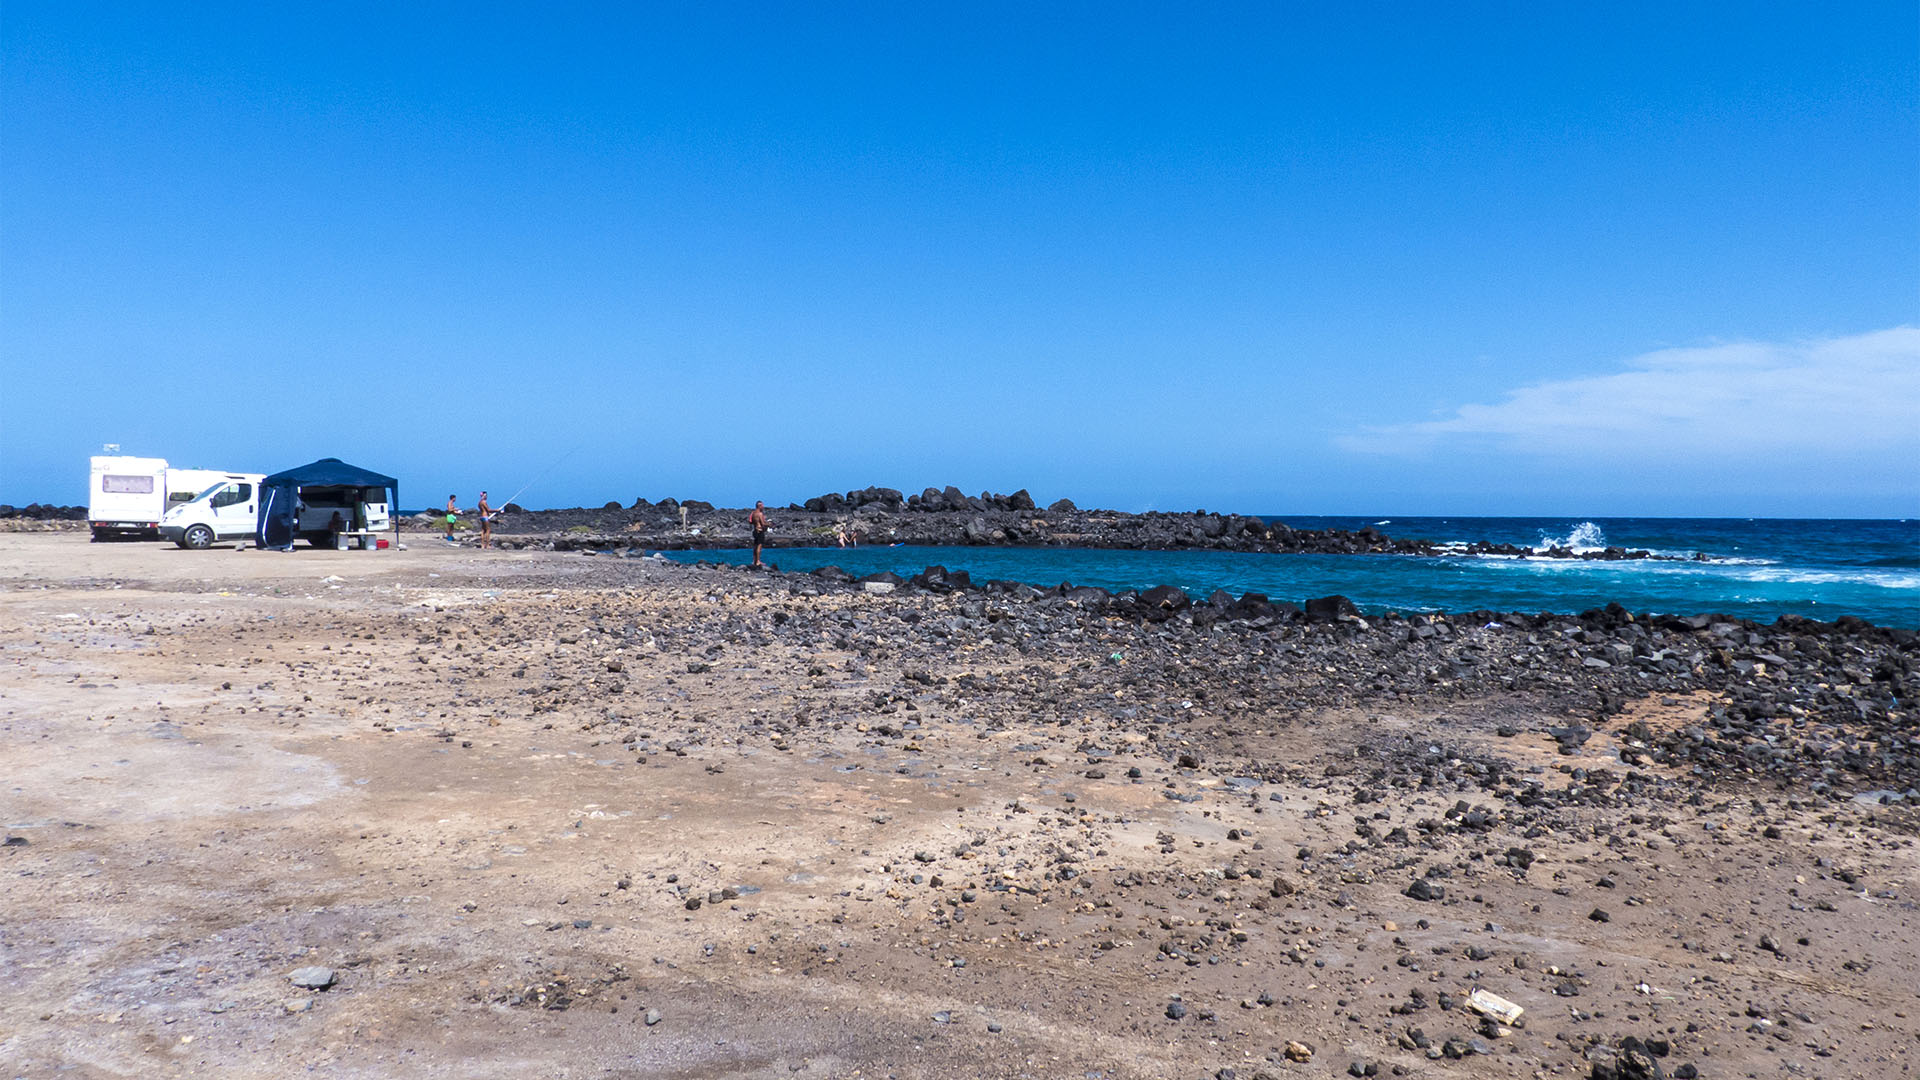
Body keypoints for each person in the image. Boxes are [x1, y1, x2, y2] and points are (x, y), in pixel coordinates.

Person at [747, 500, 770, 567]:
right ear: (759, 506)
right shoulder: (760, 514)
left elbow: (750, 521)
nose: (763, 507)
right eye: (762, 506)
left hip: (755, 530)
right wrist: (768, 524)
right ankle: (758, 561)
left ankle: (754, 560)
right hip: (760, 531)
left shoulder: (753, 513)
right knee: (759, 546)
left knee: (755, 546)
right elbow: (763, 523)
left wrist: (756, 523)